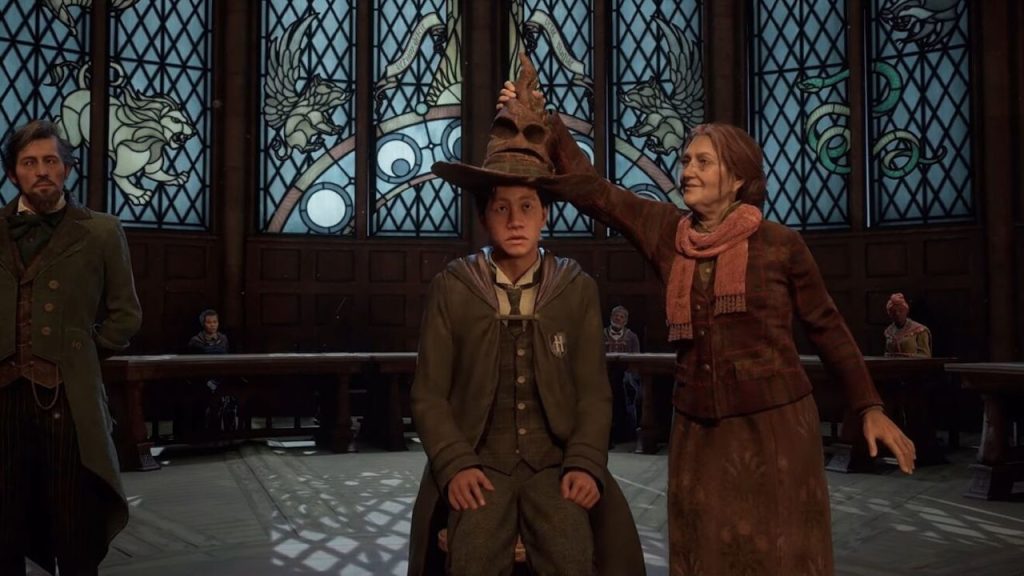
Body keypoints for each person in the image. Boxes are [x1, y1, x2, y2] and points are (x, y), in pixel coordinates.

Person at [499, 83, 917, 575]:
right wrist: (543, 121)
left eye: (703, 162)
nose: (687, 171)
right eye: (685, 160)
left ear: (737, 178)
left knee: (781, 552)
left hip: (775, 428)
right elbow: (597, 193)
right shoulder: (666, 232)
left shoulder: (780, 244)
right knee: (704, 551)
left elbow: (827, 327)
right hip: (698, 429)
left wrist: (869, 407)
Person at [408, 54, 645, 576]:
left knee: (573, 551)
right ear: (483, 217)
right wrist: (454, 463)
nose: (515, 220)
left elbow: (593, 393)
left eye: (528, 207)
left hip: (553, 464)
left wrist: (584, 462)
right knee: (470, 556)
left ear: (546, 215)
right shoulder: (453, 287)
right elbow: (428, 395)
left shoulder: (575, 289)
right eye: (501, 208)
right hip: (480, 463)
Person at [0, 119, 142, 574]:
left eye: (50, 160)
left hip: (69, 400)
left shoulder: (101, 231)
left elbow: (126, 314)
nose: (41, 170)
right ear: (13, 173)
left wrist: (82, 354)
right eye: (29, 162)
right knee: (2, 522)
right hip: (2, 399)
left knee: (74, 519)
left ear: (67, 169)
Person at [604, 305, 643, 434]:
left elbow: (636, 359)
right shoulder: (601, 335)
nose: (618, 319)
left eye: (622, 317)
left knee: (628, 389)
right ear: (611, 317)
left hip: (626, 376)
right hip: (605, 375)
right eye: (616, 316)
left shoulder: (632, 337)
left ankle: (626, 429)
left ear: (625, 321)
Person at [883, 292, 932, 358]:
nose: (897, 314)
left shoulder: (919, 330)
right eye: (893, 312)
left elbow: (926, 356)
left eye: (901, 310)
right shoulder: (889, 331)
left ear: (906, 311)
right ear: (889, 314)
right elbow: (886, 353)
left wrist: (905, 356)